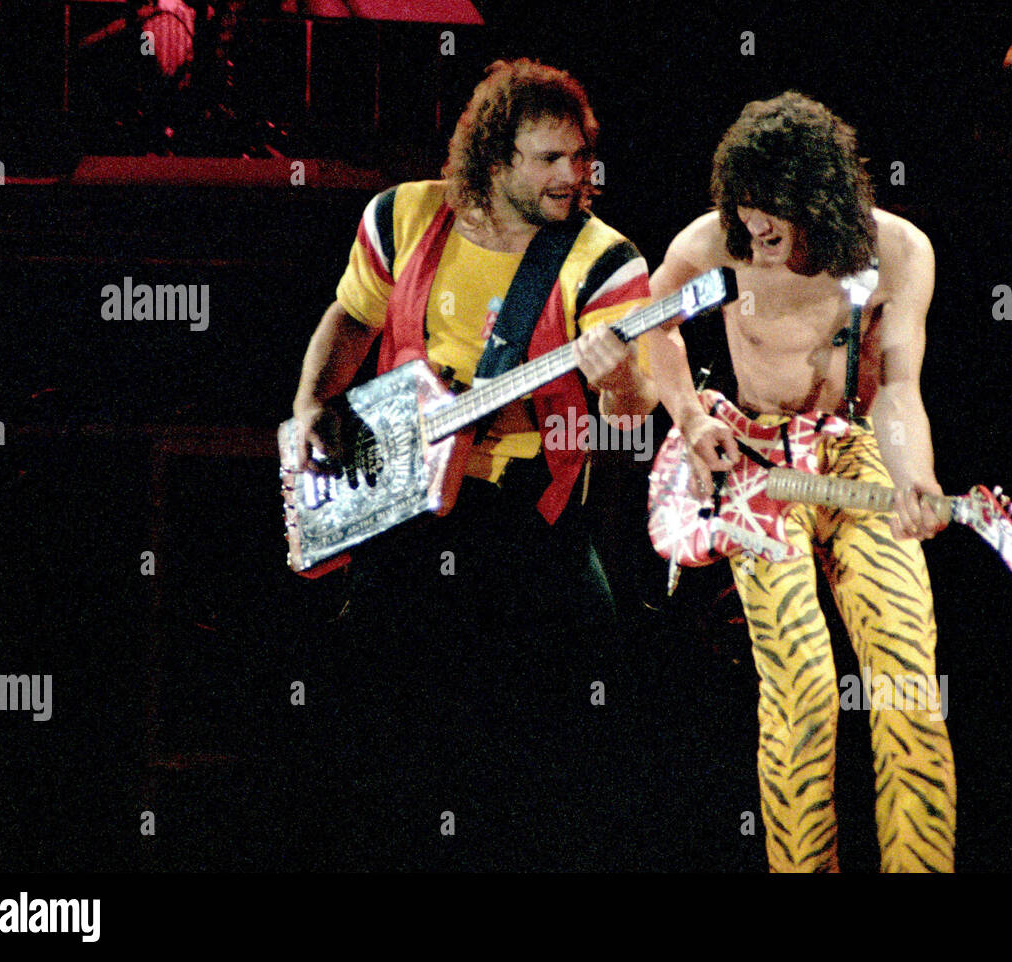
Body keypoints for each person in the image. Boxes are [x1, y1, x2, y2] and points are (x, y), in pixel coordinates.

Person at [288, 59, 655, 869]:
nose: (574, 175)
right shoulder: (404, 216)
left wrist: (620, 378)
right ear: (494, 159)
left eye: (580, 157)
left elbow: (633, 421)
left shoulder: (605, 260)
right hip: (404, 503)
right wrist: (313, 405)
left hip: (528, 515)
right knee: (382, 724)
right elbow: (350, 319)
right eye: (548, 159)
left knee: (568, 721)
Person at [644, 92, 956, 872]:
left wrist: (914, 474)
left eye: (772, 214)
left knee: (906, 671)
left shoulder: (897, 252)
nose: (757, 232)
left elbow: (899, 388)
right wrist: (687, 415)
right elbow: (651, 325)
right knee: (805, 687)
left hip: (851, 451)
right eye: (744, 211)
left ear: (820, 199)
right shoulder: (711, 246)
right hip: (755, 461)